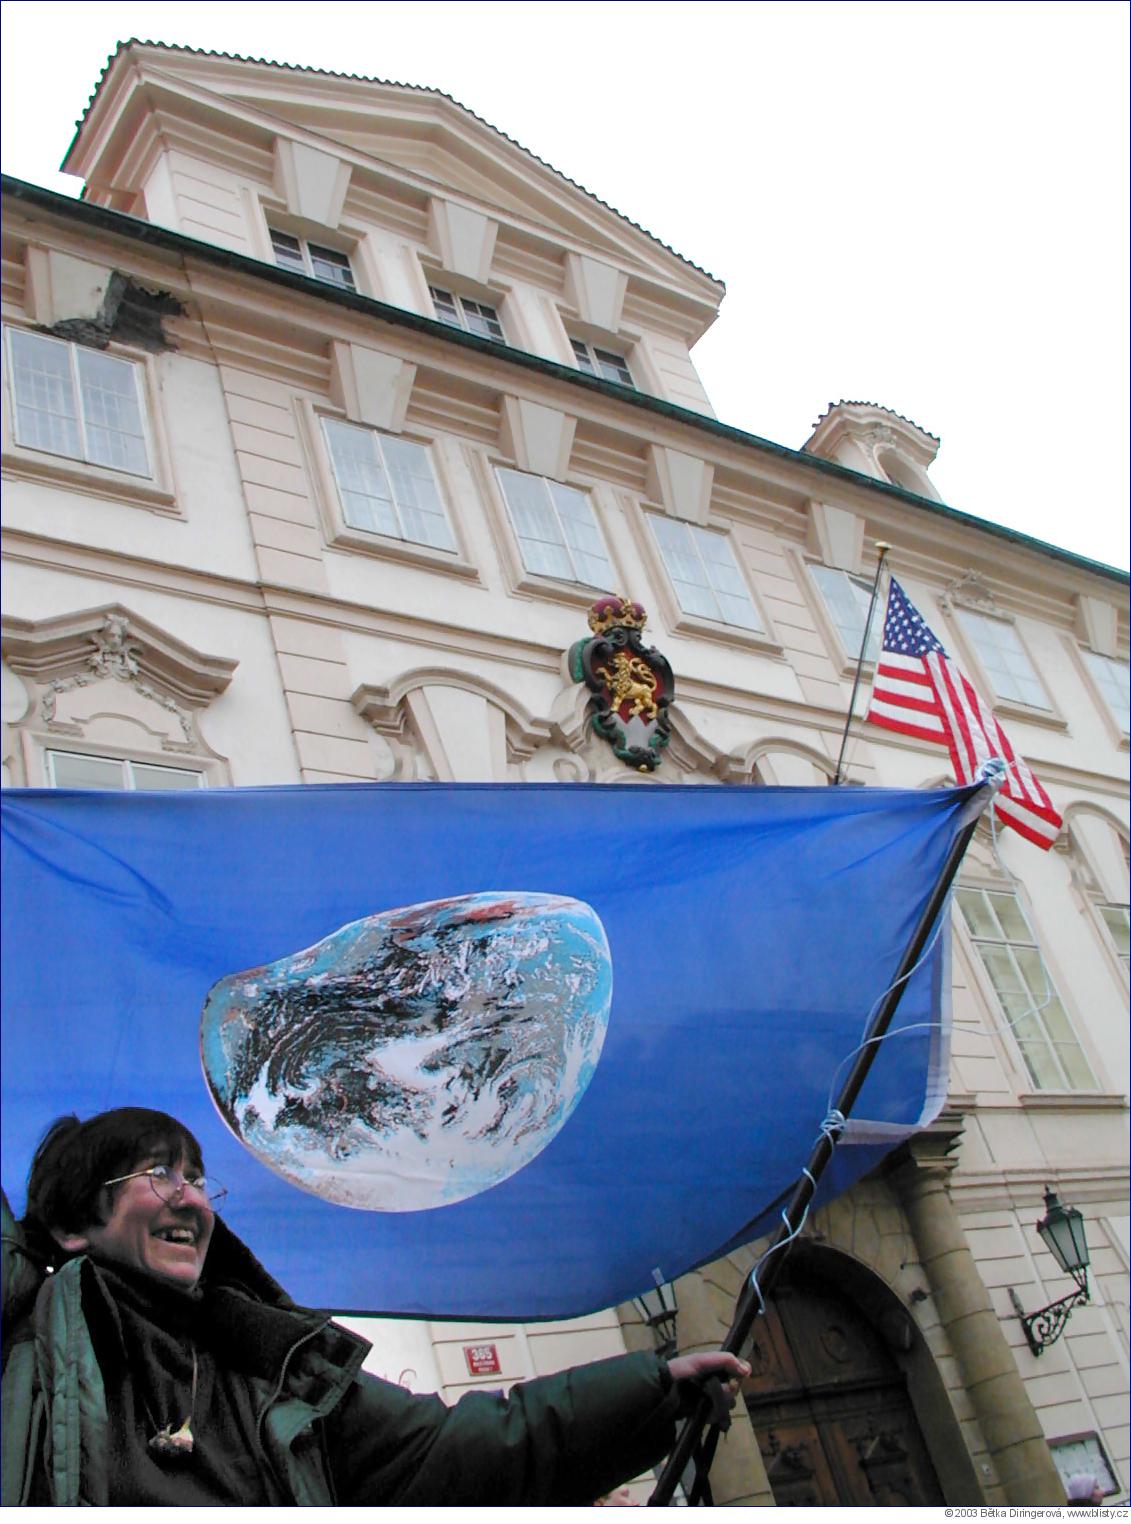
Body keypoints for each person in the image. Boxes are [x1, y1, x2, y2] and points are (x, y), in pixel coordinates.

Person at [1, 1107, 749, 1507]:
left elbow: (456, 1449)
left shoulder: (277, 1367)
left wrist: (649, 1391)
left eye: (198, 1178)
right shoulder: (20, 1347)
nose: (190, 1196)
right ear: (72, 1227)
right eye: (158, 1171)